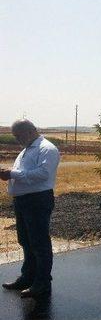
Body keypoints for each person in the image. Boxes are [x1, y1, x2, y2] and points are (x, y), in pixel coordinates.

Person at [1, 119, 60, 299]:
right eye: (15, 136)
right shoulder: (28, 149)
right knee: (25, 241)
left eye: (18, 135)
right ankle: (28, 277)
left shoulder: (47, 149)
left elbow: (43, 174)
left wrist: (11, 173)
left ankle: (42, 282)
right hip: (24, 201)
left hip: (37, 201)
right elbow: (26, 172)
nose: (17, 139)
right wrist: (11, 172)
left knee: (39, 243)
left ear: (30, 131)